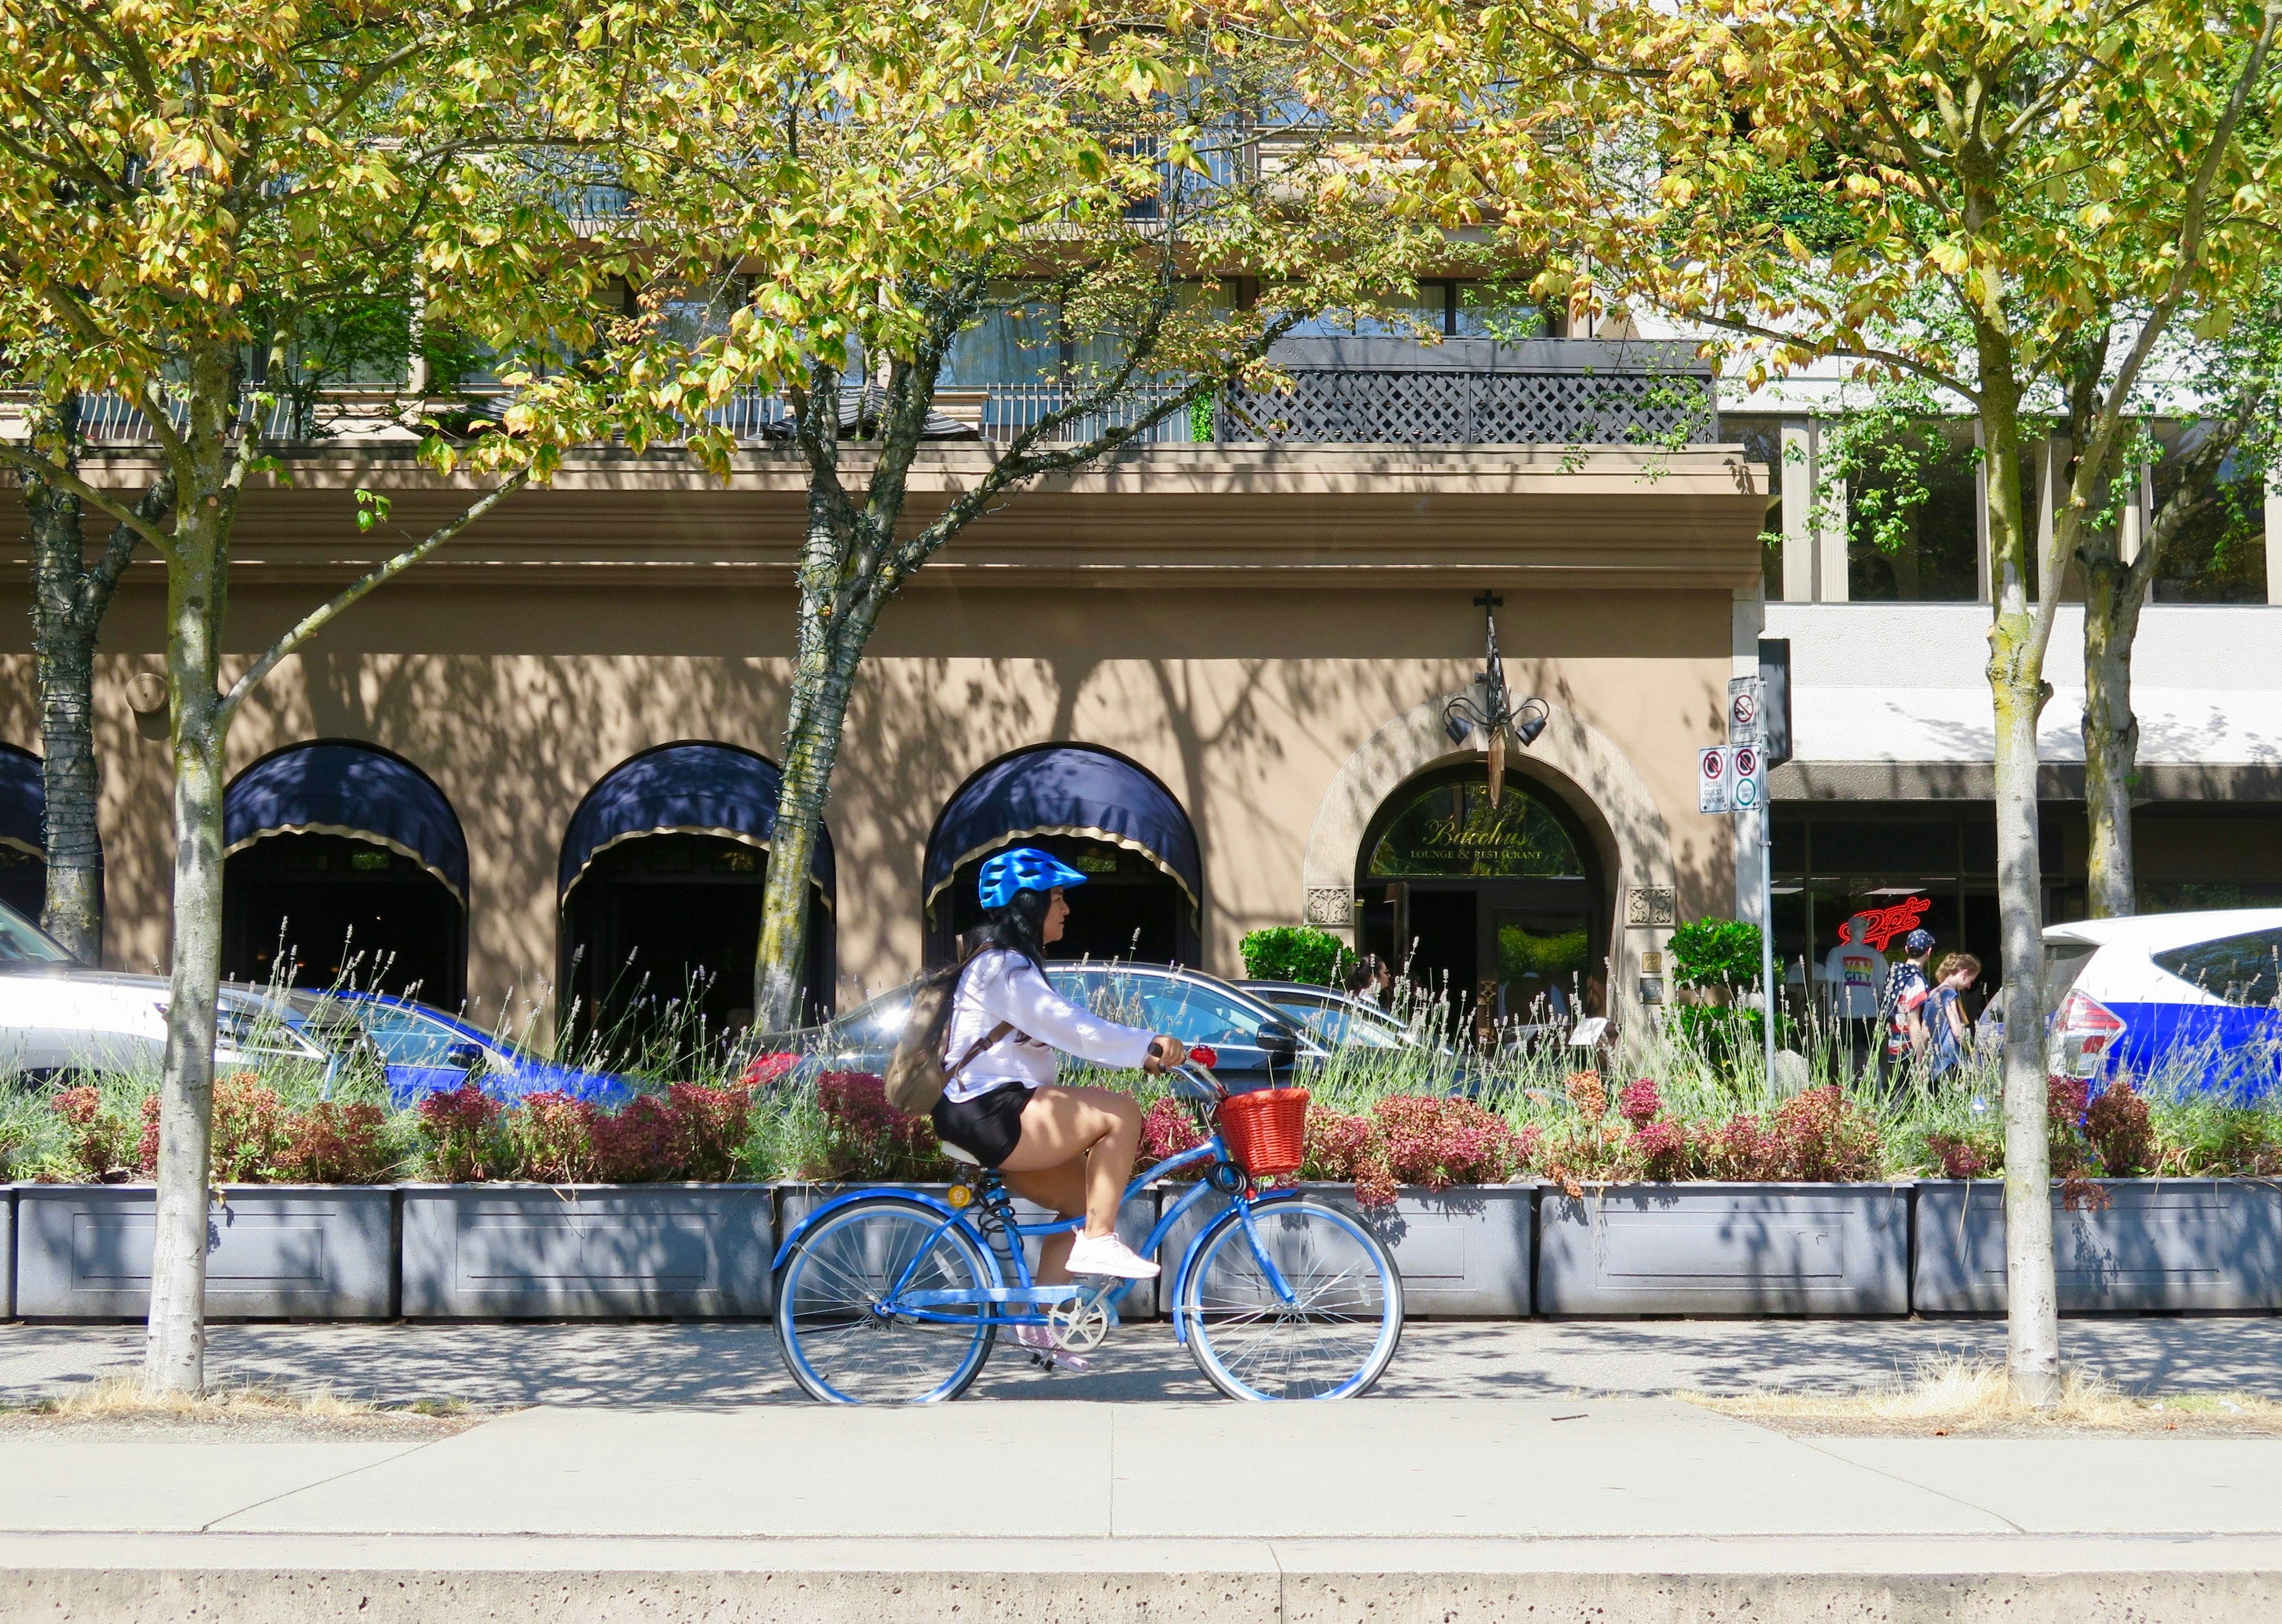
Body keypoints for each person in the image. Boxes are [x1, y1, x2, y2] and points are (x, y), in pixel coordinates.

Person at [931, 847, 1189, 1365]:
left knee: (1082, 1201)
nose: (1066, 908)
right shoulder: (1003, 968)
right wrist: (1144, 1046)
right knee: (1120, 1112)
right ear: (1027, 904)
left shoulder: (1010, 965)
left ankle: (1037, 1329)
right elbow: (1071, 1027)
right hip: (991, 1111)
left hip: (995, 1112)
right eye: (1056, 897)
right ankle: (1099, 1239)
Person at [1821, 915, 1888, 1078]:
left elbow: (1882, 986)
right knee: (1848, 1053)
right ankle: (1848, 1088)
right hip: (1846, 1012)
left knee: (1870, 1053)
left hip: (1870, 1012)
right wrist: (1831, 1013)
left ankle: (1876, 1090)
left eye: (1865, 929)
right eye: (1860, 929)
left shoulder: (1875, 955)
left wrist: (1883, 1013)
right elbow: (1830, 984)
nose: (1863, 933)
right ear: (1850, 931)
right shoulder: (1838, 953)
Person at [1877, 928, 1937, 1087]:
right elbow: (1914, 1022)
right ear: (1929, 952)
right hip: (1908, 1048)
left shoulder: (1896, 974)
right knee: (1905, 1099)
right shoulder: (1915, 981)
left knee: (1897, 1091)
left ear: (1906, 950)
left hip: (1894, 1045)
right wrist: (1919, 1061)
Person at [1925, 952, 1980, 1080]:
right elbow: (1956, 1030)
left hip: (1935, 1060)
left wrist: (1920, 1061)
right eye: (1970, 980)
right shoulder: (1950, 994)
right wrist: (1971, 1050)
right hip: (1950, 1059)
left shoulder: (1932, 994)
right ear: (1964, 973)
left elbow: (1925, 1030)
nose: (1969, 986)